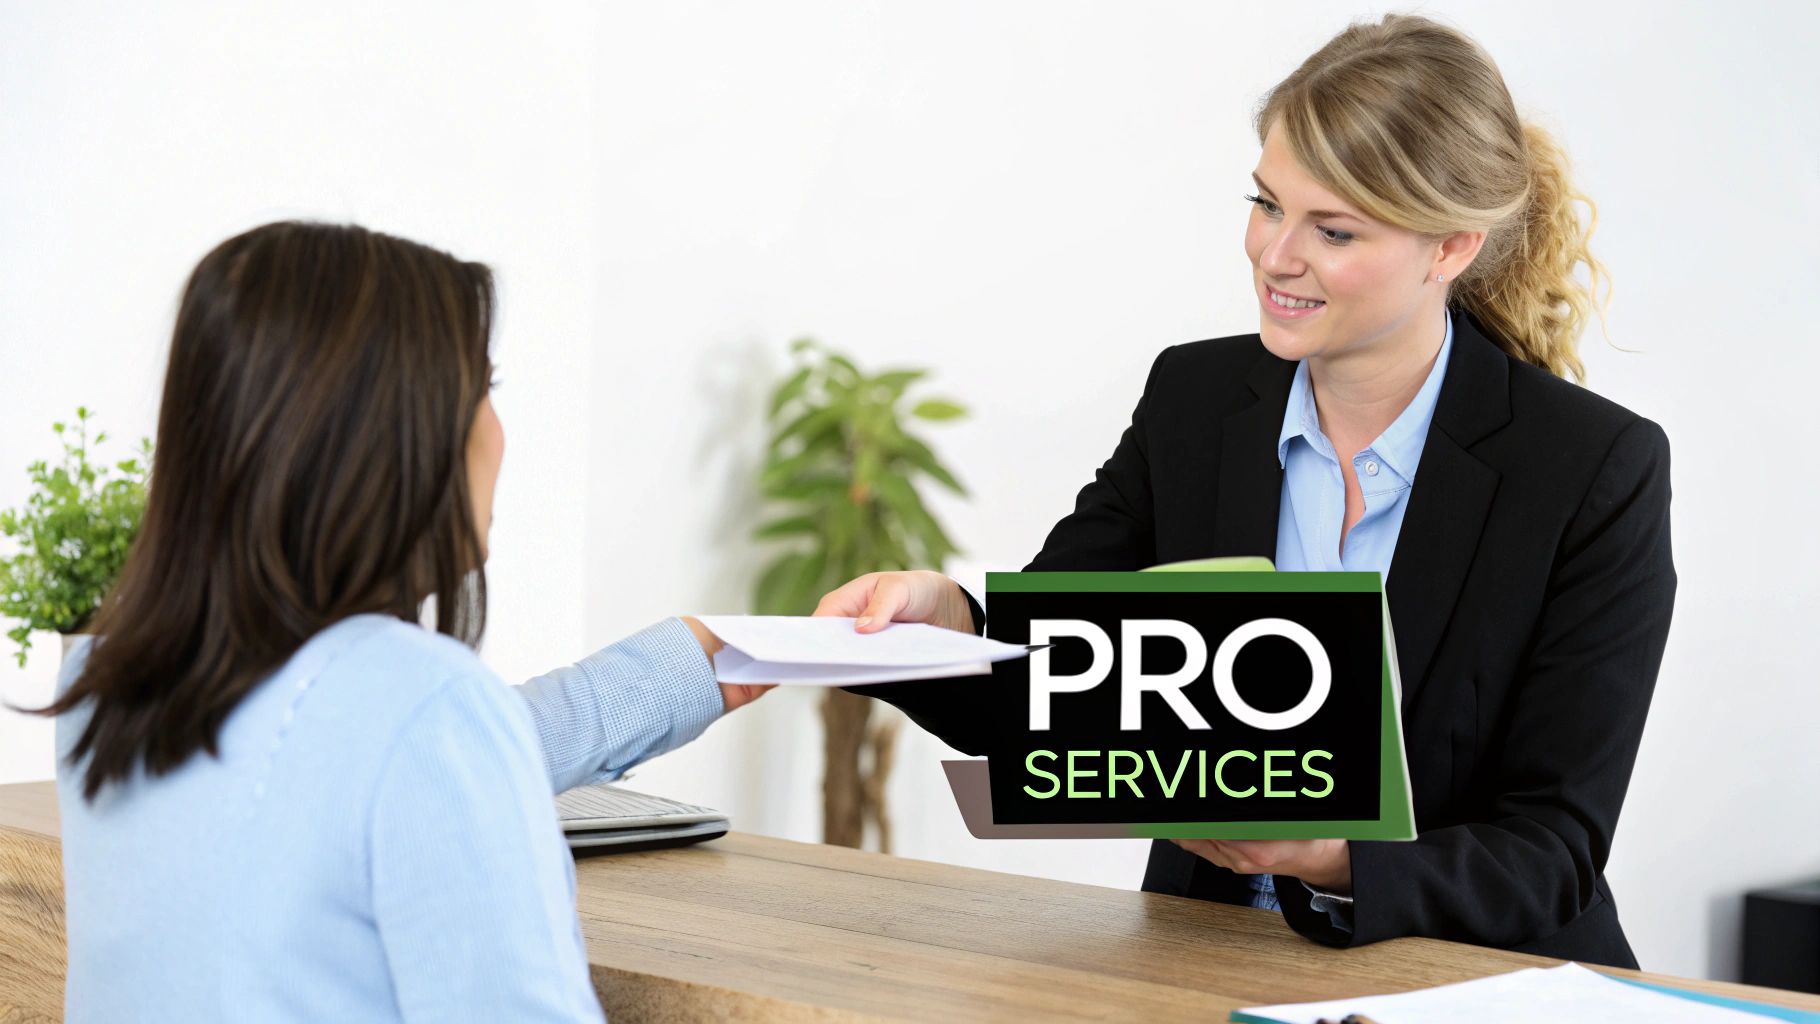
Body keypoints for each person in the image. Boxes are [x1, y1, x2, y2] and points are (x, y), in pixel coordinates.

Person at [816, 14, 1674, 969]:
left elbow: (1551, 850)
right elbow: (1066, 690)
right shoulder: (1195, 403)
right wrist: (951, 624)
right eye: (1268, 204)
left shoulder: (1592, 470)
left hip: (1472, 981)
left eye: (1333, 229)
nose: (1275, 256)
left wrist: (1332, 857)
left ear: (1450, 249)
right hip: (1213, 961)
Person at [39, 221, 765, 1021]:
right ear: (390, 432)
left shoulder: (108, 684)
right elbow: (410, 741)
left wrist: (697, 663)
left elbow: (369, 758)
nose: (497, 429)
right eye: (482, 388)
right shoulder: (418, 709)